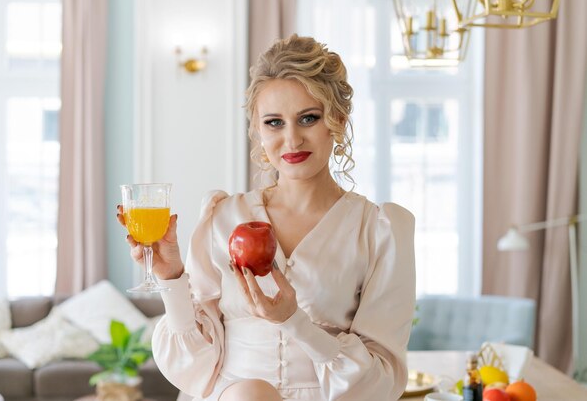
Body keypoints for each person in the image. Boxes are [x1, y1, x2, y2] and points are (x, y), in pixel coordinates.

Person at [117, 34, 416, 401]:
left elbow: (382, 380)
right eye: (274, 123)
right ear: (258, 129)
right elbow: (193, 365)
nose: (291, 140)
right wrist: (171, 277)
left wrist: (296, 322)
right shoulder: (223, 216)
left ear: (336, 120)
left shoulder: (378, 230)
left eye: (308, 118)